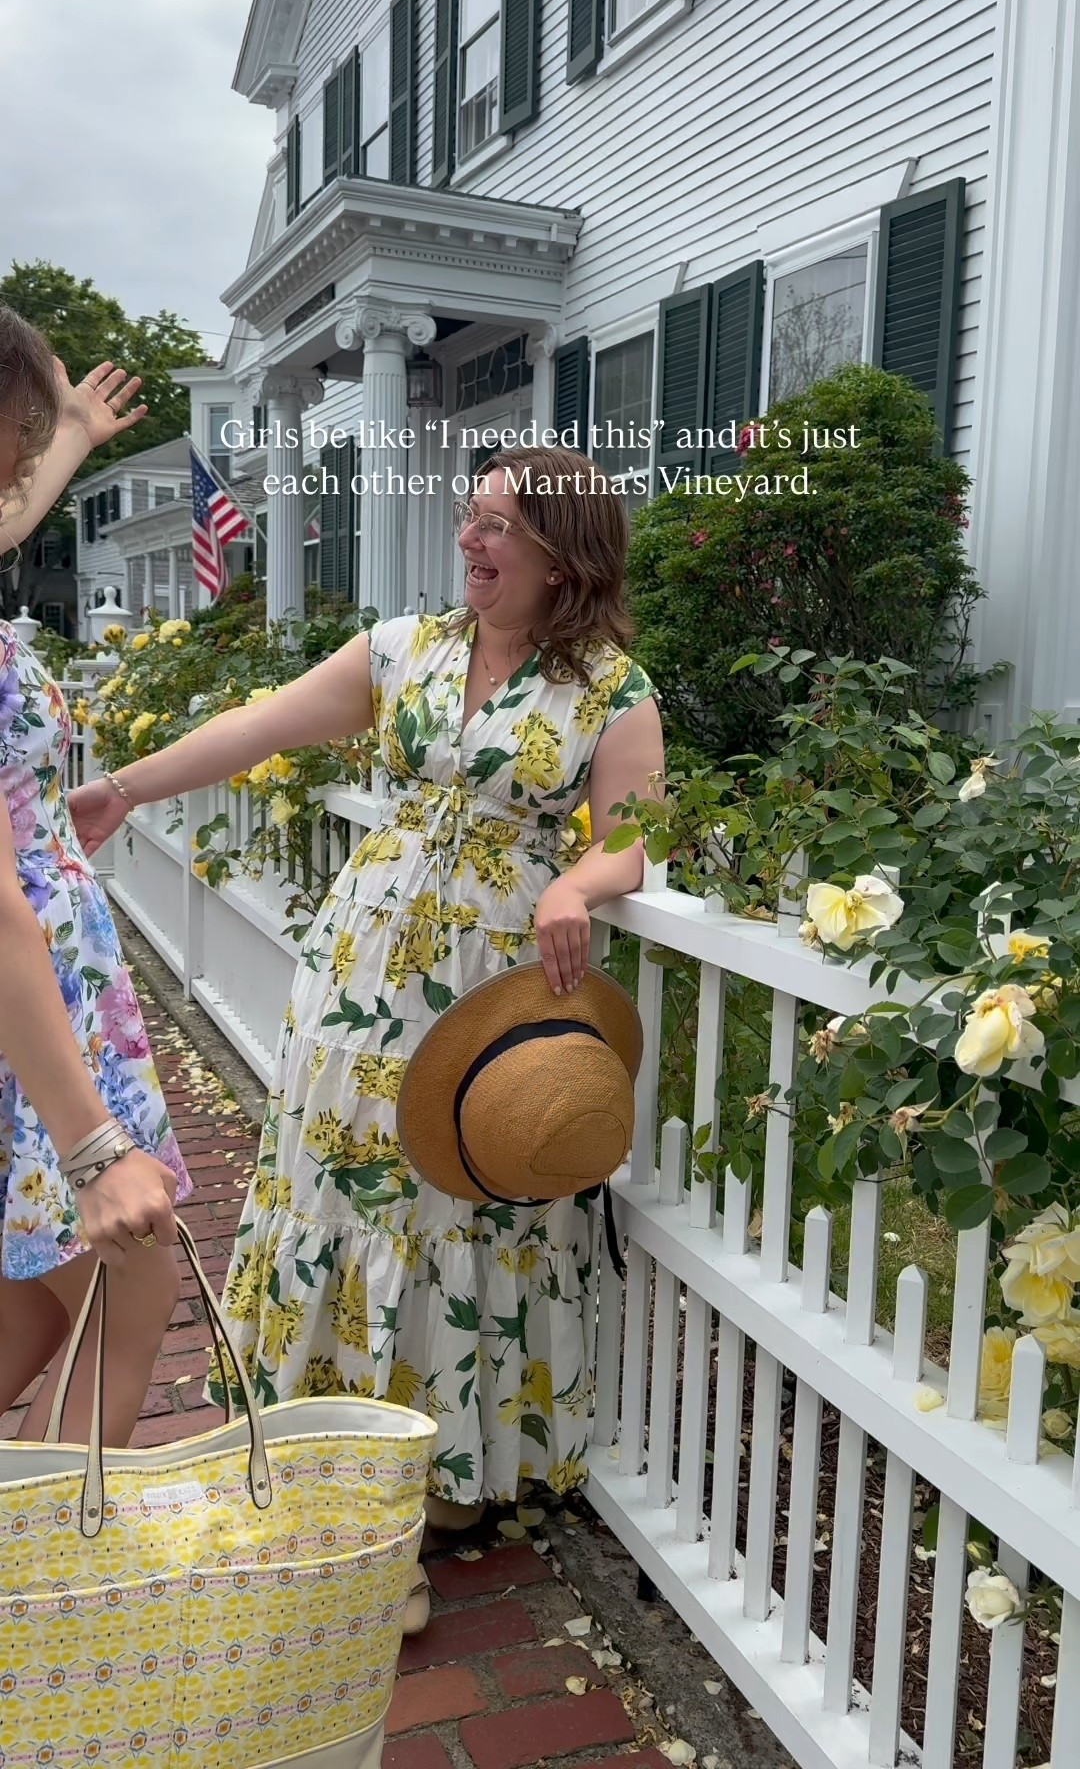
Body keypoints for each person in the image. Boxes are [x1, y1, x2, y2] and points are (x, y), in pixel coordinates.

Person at [71, 444, 664, 1624]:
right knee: (344, 1196)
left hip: (488, 989)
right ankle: (333, 1461)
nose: (471, 539)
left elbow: (635, 839)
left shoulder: (613, 689)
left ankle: (437, 1480)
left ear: (562, 555)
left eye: (499, 524)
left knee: (455, 1207)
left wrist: (576, 883)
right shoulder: (406, 652)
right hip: (363, 975)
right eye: (470, 516)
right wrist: (126, 787)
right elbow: (260, 726)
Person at [0, 307, 186, 1449]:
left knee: (28, 1310)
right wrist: (93, 1147)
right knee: (130, 1279)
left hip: (48, 986)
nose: (22, 459)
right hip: (27, 1011)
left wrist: (72, 432)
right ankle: (44, 1556)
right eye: (17, 429)